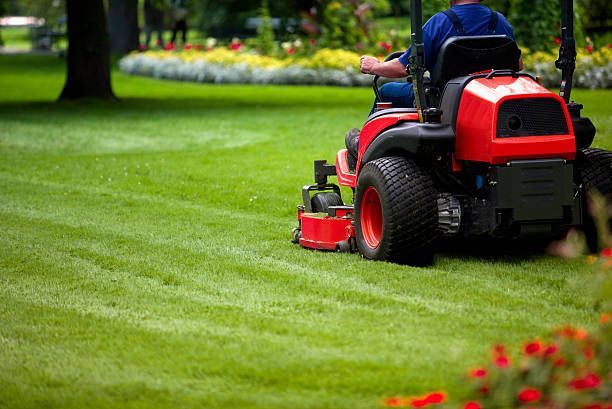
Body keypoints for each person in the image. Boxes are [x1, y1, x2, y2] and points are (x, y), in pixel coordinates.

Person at [346, 0, 520, 168]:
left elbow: (402, 67)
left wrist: (374, 66)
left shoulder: (440, 22)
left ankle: (361, 146)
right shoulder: (500, 21)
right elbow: (518, 66)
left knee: (387, 90)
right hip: (487, 103)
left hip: (441, 103)